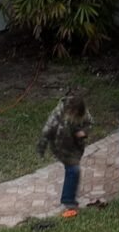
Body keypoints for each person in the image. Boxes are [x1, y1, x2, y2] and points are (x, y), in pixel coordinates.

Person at [38, 89, 91, 219]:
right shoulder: (58, 114)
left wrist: (84, 132)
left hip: (76, 147)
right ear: (70, 111)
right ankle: (68, 201)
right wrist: (42, 146)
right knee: (73, 170)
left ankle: (69, 198)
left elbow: (90, 123)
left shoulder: (83, 112)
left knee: (73, 170)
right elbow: (47, 129)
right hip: (61, 146)